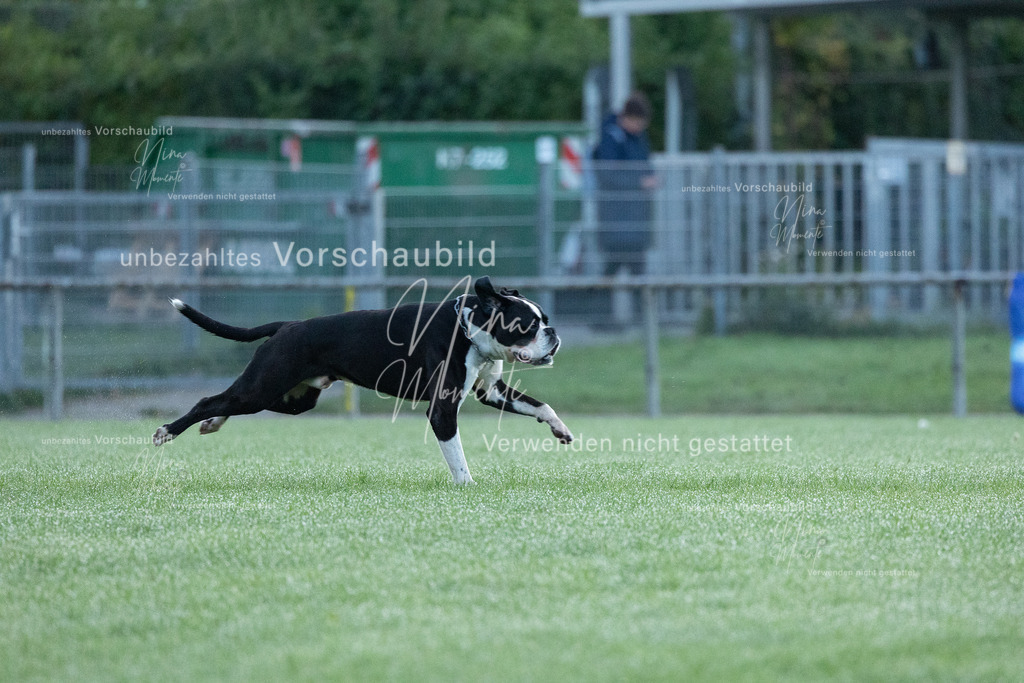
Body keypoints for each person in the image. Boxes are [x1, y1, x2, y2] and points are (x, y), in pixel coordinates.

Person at [592, 91, 658, 278]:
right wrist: (640, 182)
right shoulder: (611, 139)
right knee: (615, 271)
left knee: (629, 272)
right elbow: (608, 175)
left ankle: (631, 307)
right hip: (616, 221)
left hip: (636, 222)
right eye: (638, 122)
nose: (640, 127)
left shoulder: (637, 138)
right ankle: (599, 306)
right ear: (627, 118)